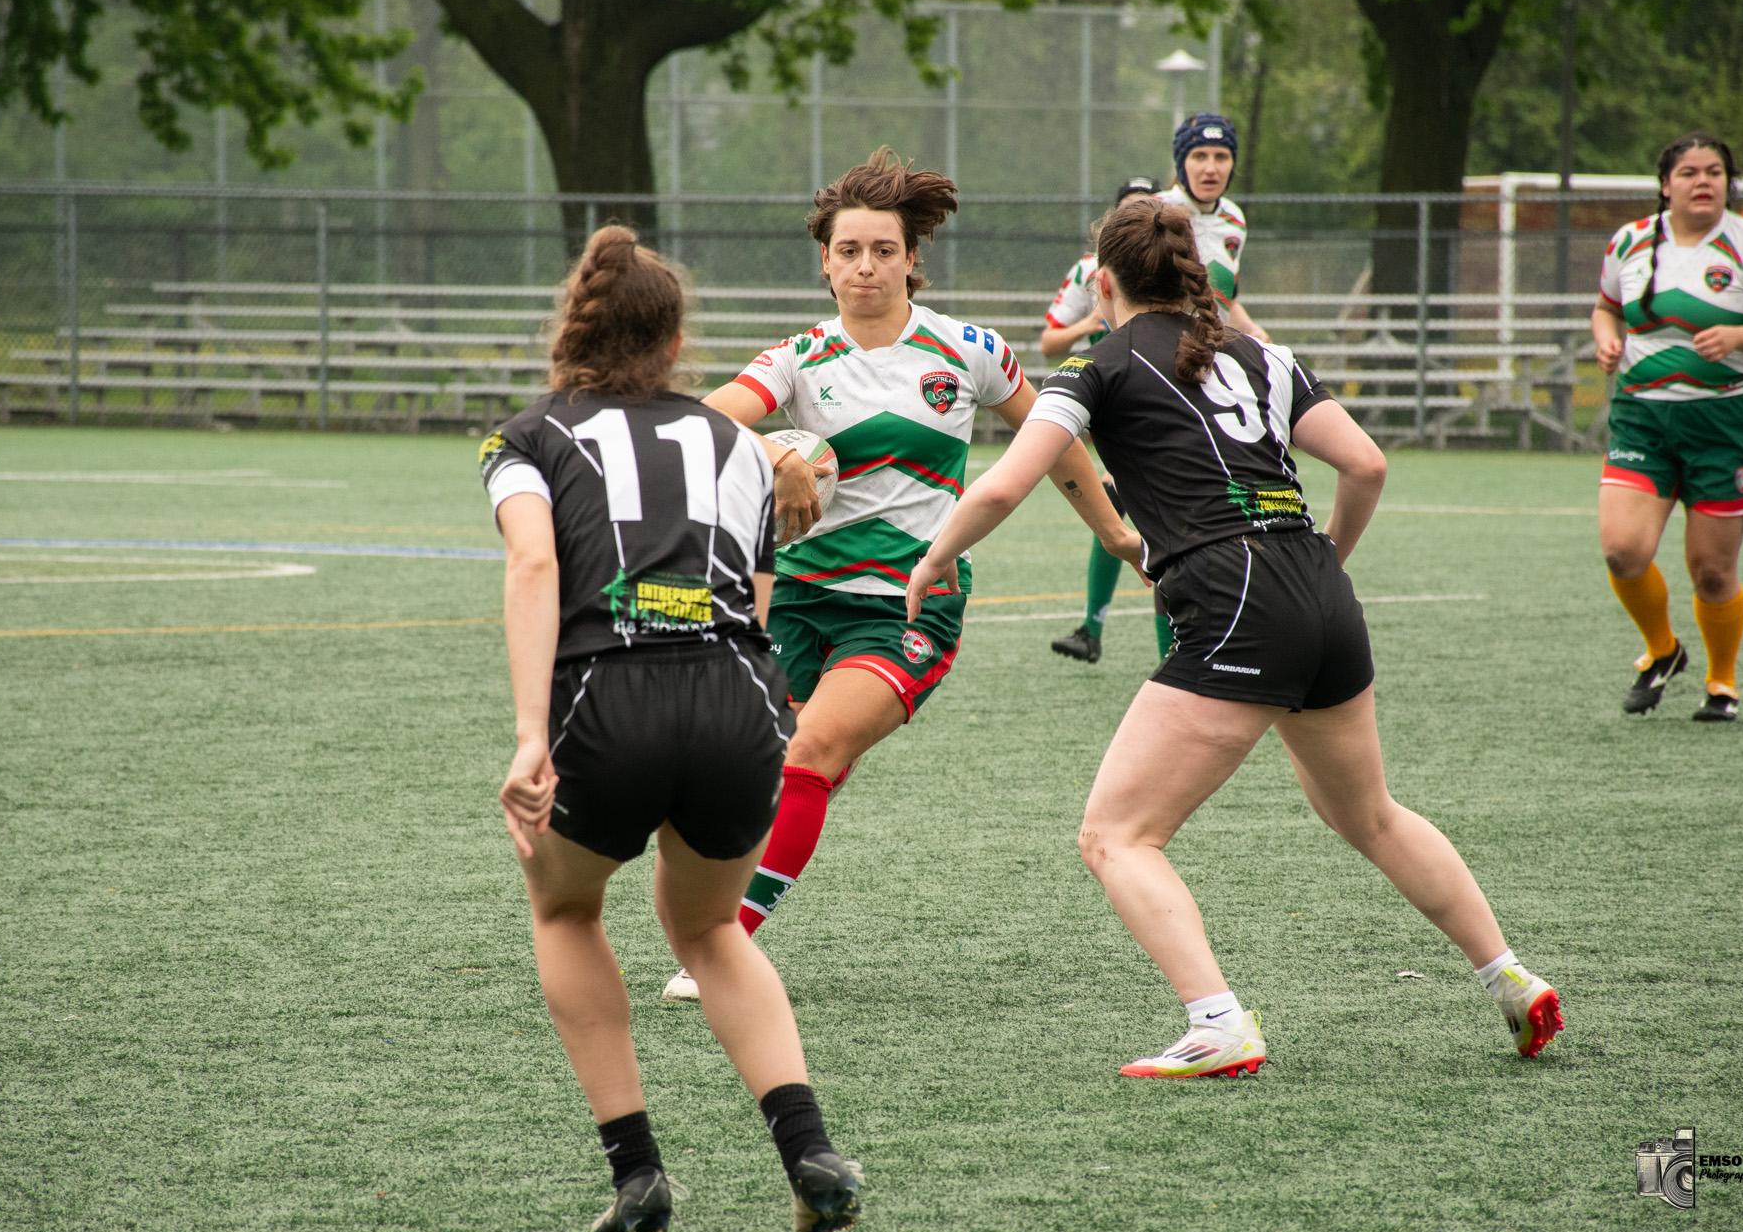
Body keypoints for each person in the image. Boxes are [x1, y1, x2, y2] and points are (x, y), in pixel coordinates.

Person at [906, 200, 1563, 1077]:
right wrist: (1326, 558)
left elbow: (999, 487)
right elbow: (1366, 463)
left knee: (1116, 835)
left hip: (1235, 593)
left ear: (1103, 284)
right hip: (1320, 587)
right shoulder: (1262, 353)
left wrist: (932, 559)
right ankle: (1509, 975)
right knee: (1369, 813)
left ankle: (1217, 1022)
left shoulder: (1096, 366)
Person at [659, 147, 1140, 1000]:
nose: (866, 266)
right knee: (746, 766)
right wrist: (778, 452)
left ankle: (722, 948)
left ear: (912, 258)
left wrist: (1117, 532)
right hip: (796, 601)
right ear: (825, 261)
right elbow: (701, 422)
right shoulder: (799, 358)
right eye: (849, 250)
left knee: (809, 750)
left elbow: (1056, 439)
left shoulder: (969, 350)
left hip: (907, 607)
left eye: (884, 250)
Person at [487, 226, 863, 1232]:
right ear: (675, 341)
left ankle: (637, 1173)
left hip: (605, 699)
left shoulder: (525, 438)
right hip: (741, 699)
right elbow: (756, 593)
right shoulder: (740, 443)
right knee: (708, 929)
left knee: (567, 909)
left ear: (570, 329)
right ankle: (809, 1151)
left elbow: (533, 567)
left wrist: (529, 734)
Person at [1592, 131, 1743, 722]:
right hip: (1642, 418)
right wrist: (1607, 339)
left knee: (1711, 571)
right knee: (1622, 551)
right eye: (1688, 173)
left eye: (1714, 172)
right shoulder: (1631, 241)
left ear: (1728, 183)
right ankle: (1662, 650)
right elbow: (1606, 307)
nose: (1703, 182)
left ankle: (1721, 683)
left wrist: (1738, 336)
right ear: (1666, 186)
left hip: (1726, 424)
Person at [1047, 115, 1267, 665]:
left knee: (1187, 513)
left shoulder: (1235, 220)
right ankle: (1130, 637)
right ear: (1180, 162)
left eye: (1221, 157)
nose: (1211, 167)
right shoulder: (1156, 214)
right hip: (1153, 375)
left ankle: (1180, 643)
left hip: (1204, 373)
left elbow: (1220, 296)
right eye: (1199, 157)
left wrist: (1255, 338)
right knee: (1150, 511)